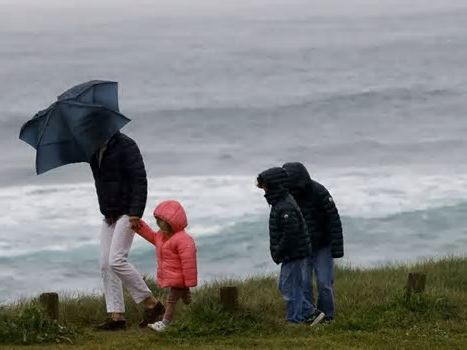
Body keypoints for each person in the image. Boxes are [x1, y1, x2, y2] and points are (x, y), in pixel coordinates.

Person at [90, 131, 165, 330]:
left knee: (116, 260)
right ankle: (117, 316)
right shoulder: (93, 149)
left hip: (127, 212)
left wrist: (135, 213)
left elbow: (139, 180)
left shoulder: (126, 145)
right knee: (105, 264)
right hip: (109, 214)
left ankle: (152, 303)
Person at [256, 167, 324, 325]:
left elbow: (291, 234)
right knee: (287, 286)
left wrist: (279, 251)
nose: (264, 190)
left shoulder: (284, 206)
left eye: (265, 186)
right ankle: (310, 313)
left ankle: (296, 320)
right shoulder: (280, 201)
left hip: (294, 253)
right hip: (293, 252)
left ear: (274, 185)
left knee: (289, 288)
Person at [282, 162, 343, 322]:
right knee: (304, 283)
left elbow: (334, 219)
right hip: (303, 248)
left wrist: (337, 248)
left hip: (323, 246)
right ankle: (310, 317)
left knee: (324, 283)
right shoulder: (286, 196)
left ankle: (327, 316)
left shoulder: (319, 191)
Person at [134, 200, 198, 332]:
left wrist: (189, 281)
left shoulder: (183, 239)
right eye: (157, 221)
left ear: (171, 223)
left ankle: (165, 323)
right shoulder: (162, 236)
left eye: (161, 222)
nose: (158, 225)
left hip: (179, 278)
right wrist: (139, 227)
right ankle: (193, 308)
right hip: (175, 277)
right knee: (184, 297)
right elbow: (152, 237)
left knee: (171, 301)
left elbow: (189, 262)